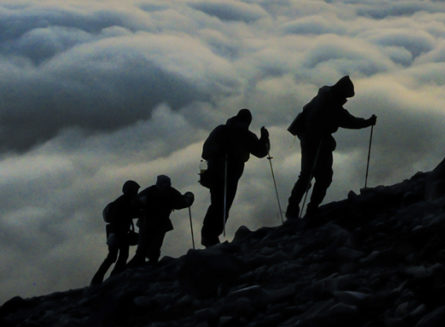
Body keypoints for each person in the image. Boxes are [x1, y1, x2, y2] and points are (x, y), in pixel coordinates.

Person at [285, 76, 376, 220]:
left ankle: (293, 210)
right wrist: (367, 122)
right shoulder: (331, 104)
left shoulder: (323, 97)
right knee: (323, 176)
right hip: (318, 142)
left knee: (306, 175)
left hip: (308, 139)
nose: (346, 99)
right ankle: (311, 209)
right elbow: (348, 120)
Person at [199, 109, 271, 247]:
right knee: (223, 204)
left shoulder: (221, 130)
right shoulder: (246, 135)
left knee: (217, 203)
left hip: (215, 172)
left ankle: (209, 236)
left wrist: (217, 153)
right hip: (230, 174)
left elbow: (205, 151)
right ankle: (210, 236)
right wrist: (264, 138)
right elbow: (261, 152)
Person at [129, 175, 194, 266]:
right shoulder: (170, 192)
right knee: (149, 248)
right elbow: (181, 203)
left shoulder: (151, 191)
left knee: (147, 248)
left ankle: (139, 267)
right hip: (155, 224)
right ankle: (147, 265)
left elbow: (136, 203)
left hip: (149, 223)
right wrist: (189, 198)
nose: (166, 185)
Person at [90, 180, 140, 285]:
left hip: (114, 233)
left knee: (112, 257)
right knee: (121, 255)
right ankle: (114, 277)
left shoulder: (121, 201)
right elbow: (129, 214)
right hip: (119, 233)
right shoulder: (125, 202)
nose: (136, 192)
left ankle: (98, 280)